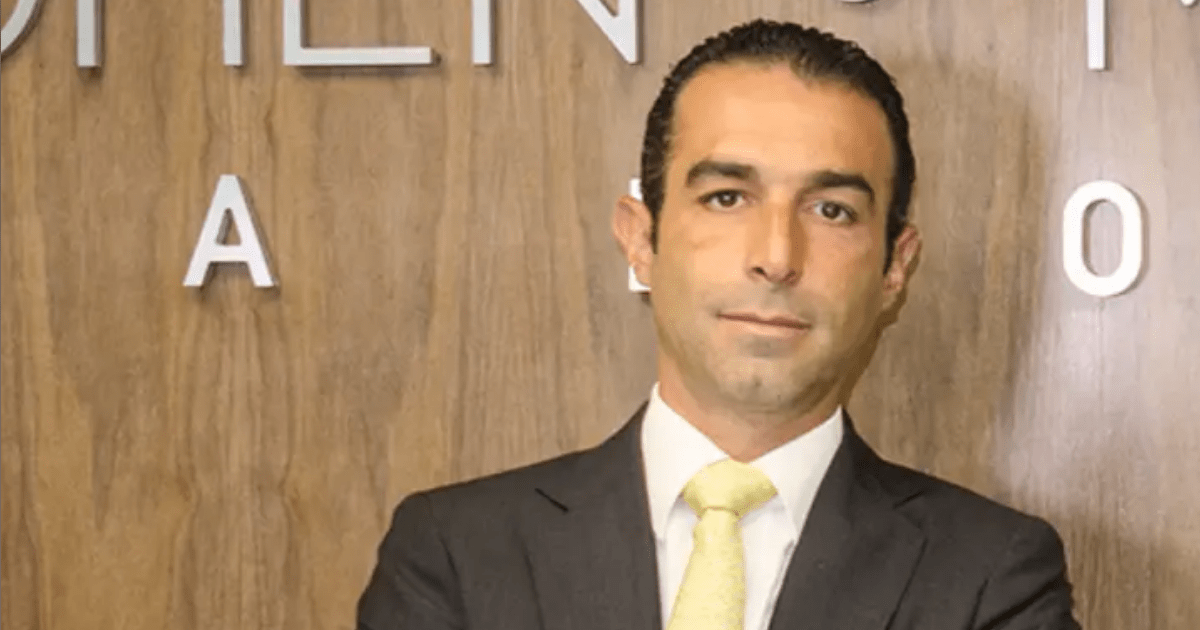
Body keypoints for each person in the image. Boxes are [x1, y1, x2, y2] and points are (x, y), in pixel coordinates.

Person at [357, 19, 1081, 630]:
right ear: (641, 238)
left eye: (831, 210)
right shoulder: (456, 554)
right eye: (728, 197)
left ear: (896, 265)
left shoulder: (992, 576)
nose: (777, 257)